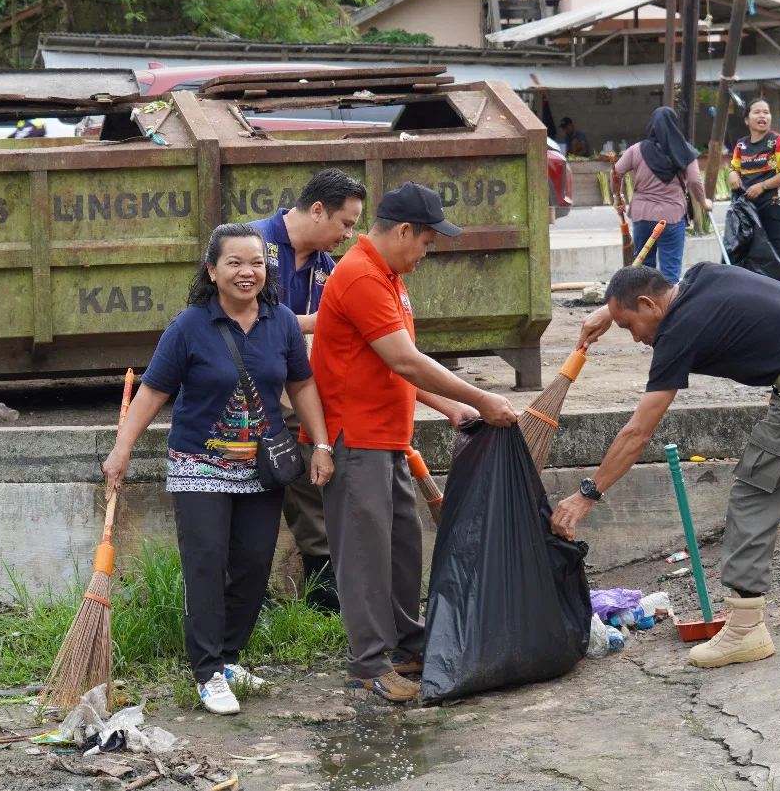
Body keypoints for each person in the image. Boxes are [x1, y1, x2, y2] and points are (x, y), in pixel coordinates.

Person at [557, 262, 780, 668]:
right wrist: (610, 310)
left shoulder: (676, 333)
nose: (636, 339)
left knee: (753, 493)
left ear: (647, 304)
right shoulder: (702, 276)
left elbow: (637, 433)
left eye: (629, 326)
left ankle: (745, 629)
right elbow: (652, 287)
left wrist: (589, 492)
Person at [101, 223, 331, 716]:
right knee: (206, 565)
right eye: (234, 263)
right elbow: (153, 392)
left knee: (252, 565)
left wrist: (323, 444)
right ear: (212, 270)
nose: (247, 272)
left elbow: (303, 385)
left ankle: (228, 658)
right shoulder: (188, 326)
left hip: (261, 469)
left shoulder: (283, 322)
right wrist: (121, 449)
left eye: (255, 263)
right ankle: (206, 672)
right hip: (198, 466)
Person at [309, 182, 519, 703]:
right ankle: (367, 664)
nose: (427, 253)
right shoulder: (360, 276)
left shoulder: (390, 277)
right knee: (365, 556)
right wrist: (483, 398)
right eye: (426, 242)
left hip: (388, 439)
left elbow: (396, 362)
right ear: (403, 231)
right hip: (354, 439)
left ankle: (405, 646)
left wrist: (448, 405)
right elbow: (405, 359)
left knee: (401, 549)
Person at [250, 169, 368, 612]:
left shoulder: (326, 267)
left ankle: (325, 593)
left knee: (311, 475)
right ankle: (244, 599)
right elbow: (247, 313)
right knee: (243, 492)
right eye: (346, 223)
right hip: (239, 391)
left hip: (292, 387)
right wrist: (320, 321)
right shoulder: (251, 244)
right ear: (317, 210)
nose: (348, 234)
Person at [614, 107, 714, 282]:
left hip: (642, 215)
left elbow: (615, 173)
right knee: (670, 271)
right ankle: (668, 307)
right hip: (672, 216)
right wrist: (703, 202)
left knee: (643, 269)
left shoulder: (636, 149)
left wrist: (618, 197)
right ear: (675, 125)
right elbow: (694, 180)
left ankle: (644, 305)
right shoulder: (685, 150)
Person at [727, 98, 780, 275]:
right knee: (750, 258)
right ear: (747, 120)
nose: (762, 115)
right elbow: (735, 167)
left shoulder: (779, 141)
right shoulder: (741, 145)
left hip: (776, 209)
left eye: (766, 112)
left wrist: (762, 186)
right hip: (749, 212)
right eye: (757, 112)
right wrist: (732, 174)